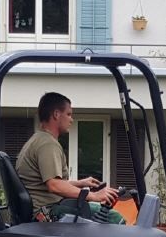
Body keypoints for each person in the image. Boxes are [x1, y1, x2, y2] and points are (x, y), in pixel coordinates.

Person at [15, 92, 126, 224]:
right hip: (49, 212)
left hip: (45, 208)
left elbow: (47, 183)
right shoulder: (48, 144)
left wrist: (81, 183)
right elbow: (54, 186)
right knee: (116, 219)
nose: (71, 120)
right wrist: (94, 196)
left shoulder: (37, 140)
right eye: (68, 114)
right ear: (56, 114)